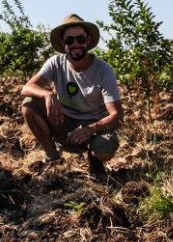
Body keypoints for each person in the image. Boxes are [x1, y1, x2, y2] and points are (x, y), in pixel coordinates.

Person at [21, 14, 123, 176]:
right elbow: (27, 87)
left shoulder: (104, 70)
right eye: (69, 40)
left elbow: (117, 116)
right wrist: (48, 95)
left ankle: (95, 160)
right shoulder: (55, 63)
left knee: (104, 149)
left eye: (80, 39)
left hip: (95, 129)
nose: (75, 44)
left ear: (88, 40)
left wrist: (90, 129)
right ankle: (52, 156)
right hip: (64, 124)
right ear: (63, 43)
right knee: (29, 105)